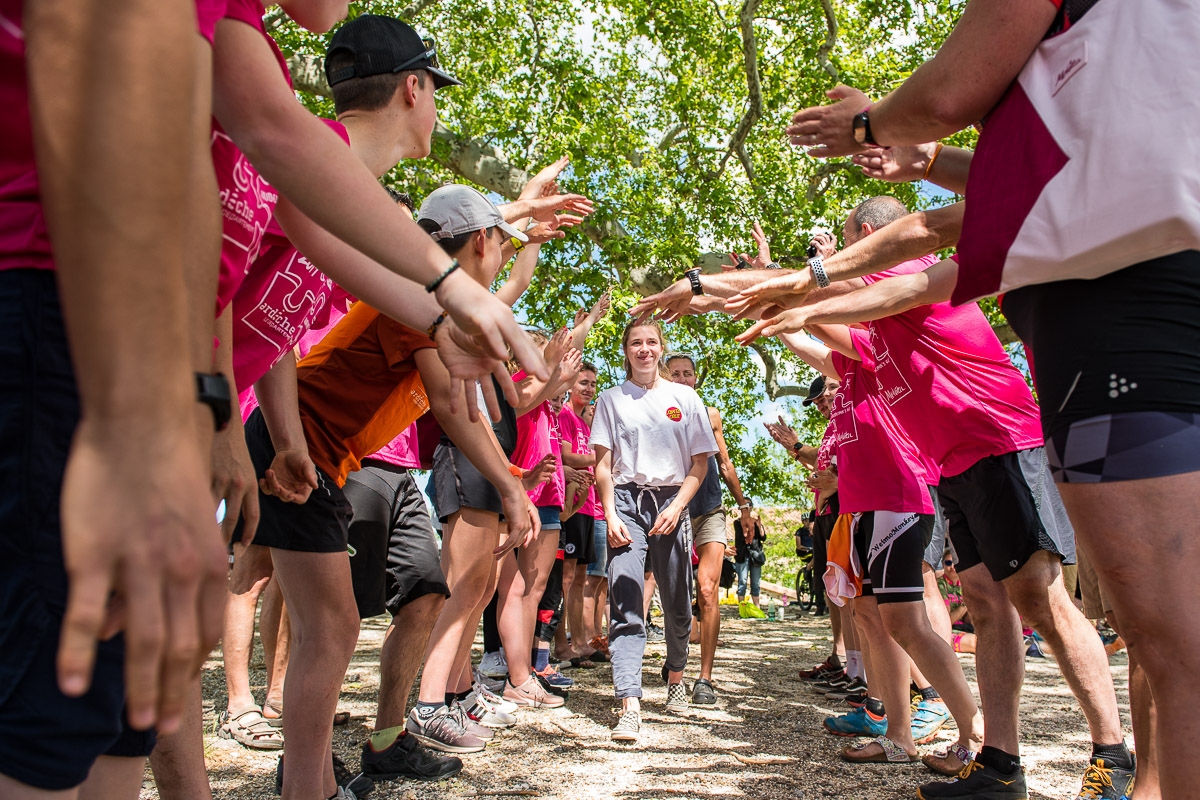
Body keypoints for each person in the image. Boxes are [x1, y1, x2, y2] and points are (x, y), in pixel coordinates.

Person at [725, 196, 1132, 799]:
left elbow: (844, 294)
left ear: (869, 237)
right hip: (954, 465)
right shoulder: (875, 323)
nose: (837, 254)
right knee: (988, 605)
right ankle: (1000, 765)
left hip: (1000, 443)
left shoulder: (910, 280)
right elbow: (816, 317)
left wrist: (779, 282)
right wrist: (774, 288)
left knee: (1040, 601)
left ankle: (1112, 758)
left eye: (846, 242)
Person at [0, 2, 228, 798]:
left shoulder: (231, 28)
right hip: (44, 301)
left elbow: (189, 164)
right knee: (41, 721)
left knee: (102, 707)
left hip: (95, 335)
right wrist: (133, 418)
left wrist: (188, 405)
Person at [592, 321, 717, 742]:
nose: (643, 350)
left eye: (651, 342)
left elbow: (700, 464)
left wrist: (679, 506)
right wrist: (610, 515)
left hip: (671, 502)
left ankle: (677, 679)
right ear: (625, 350)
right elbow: (603, 466)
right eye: (635, 343)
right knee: (626, 596)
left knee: (678, 602)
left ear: (661, 348)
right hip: (627, 501)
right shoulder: (610, 400)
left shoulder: (685, 397)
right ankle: (630, 702)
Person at [665, 353, 754, 704]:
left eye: (688, 373)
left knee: (707, 588)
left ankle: (705, 678)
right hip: (672, 510)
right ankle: (678, 663)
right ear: (665, 377)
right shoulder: (657, 412)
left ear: (697, 379)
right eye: (676, 374)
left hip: (710, 509)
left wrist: (744, 507)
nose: (683, 378)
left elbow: (726, 463)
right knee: (675, 593)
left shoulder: (710, 414)